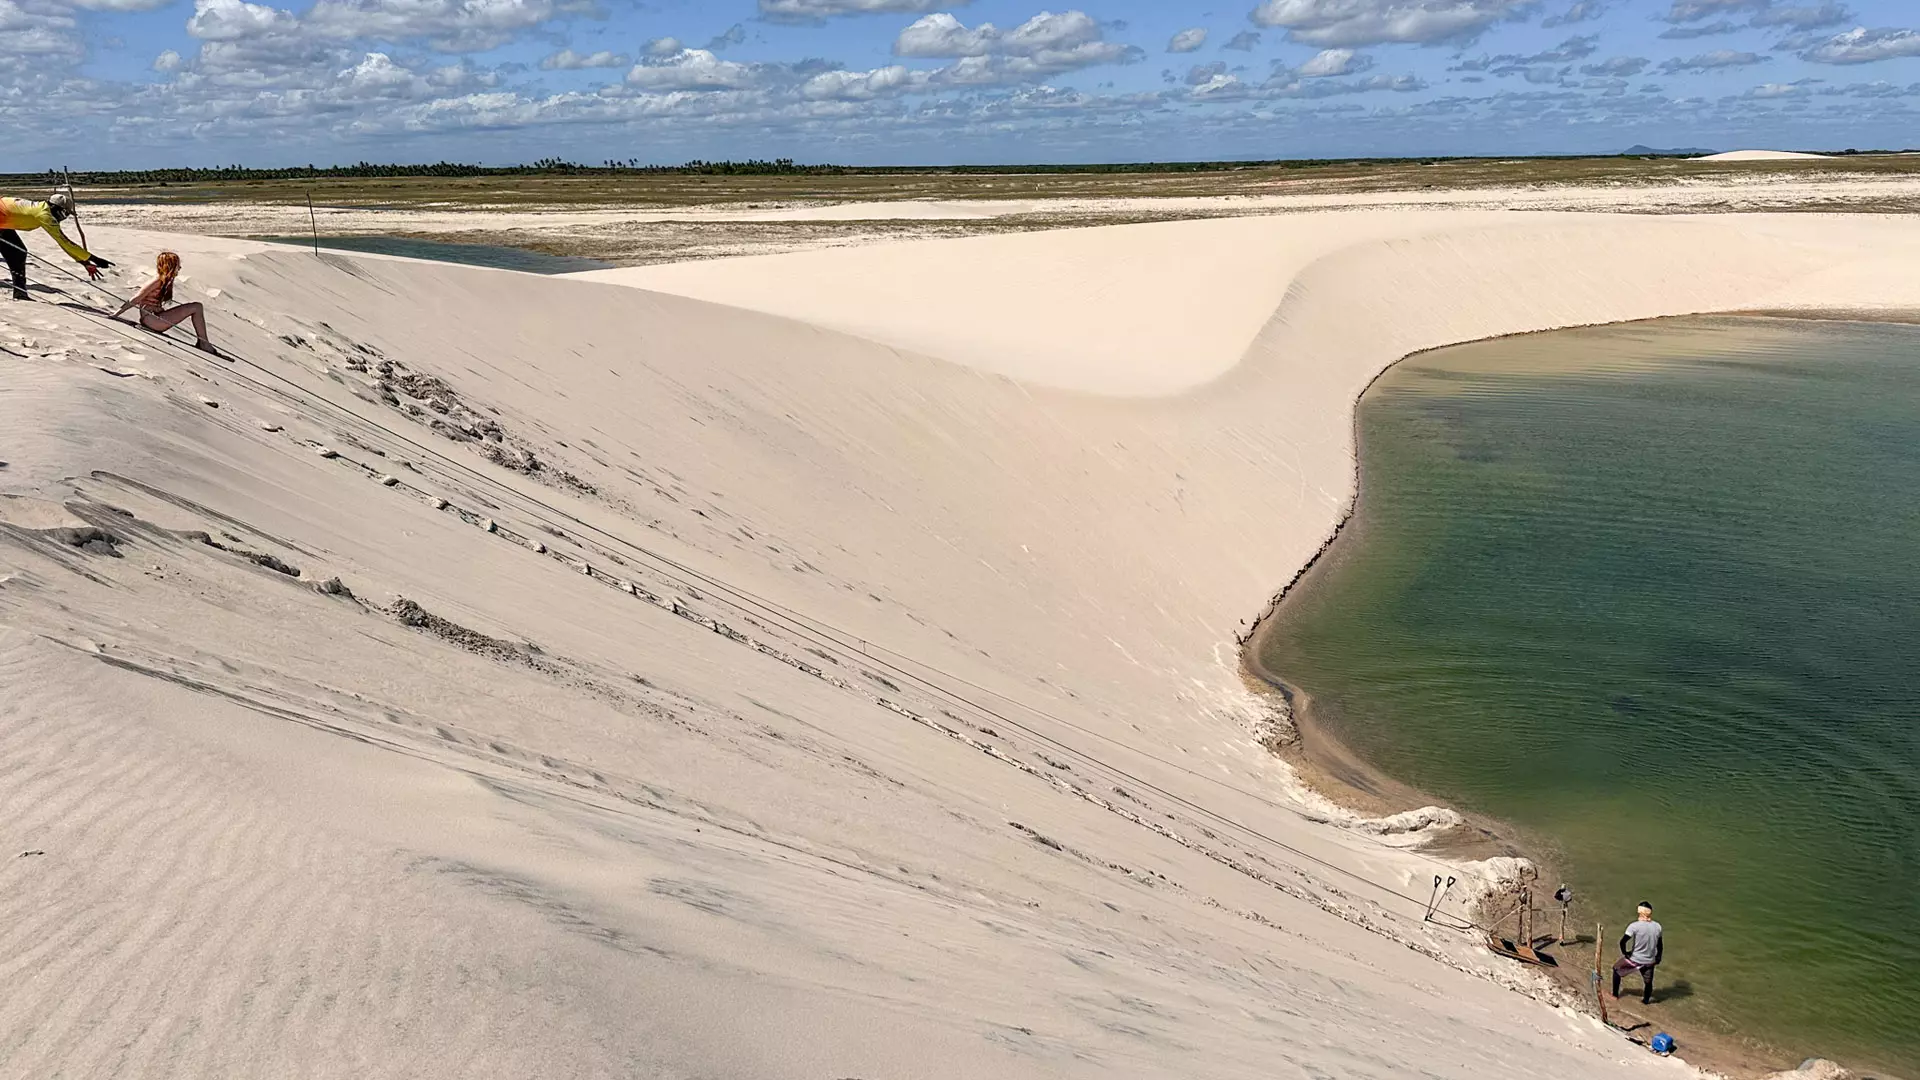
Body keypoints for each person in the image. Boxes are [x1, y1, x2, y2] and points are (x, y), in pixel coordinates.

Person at [1, 192, 112, 301]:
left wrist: (85, 262)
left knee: (18, 254)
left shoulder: (42, 209)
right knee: (17, 253)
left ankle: (20, 294)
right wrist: (94, 259)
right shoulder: (44, 215)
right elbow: (64, 242)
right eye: (64, 214)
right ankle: (20, 293)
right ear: (55, 207)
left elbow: (66, 244)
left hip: (3, 225)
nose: (64, 218)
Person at [110, 251, 219, 355]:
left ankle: (203, 342)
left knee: (197, 306)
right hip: (151, 320)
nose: (180, 268)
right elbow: (136, 298)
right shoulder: (157, 280)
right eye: (177, 265)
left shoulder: (165, 280)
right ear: (170, 266)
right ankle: (204, 343)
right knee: (196, 307)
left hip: (154, 319)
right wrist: (116, 314)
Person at [1612, 901, 1664, 1005]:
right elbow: (1660, 945)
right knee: (1648, 982)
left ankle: (1615, 995)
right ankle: (1645, 1002)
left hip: (1635, 959)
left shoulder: (1634, 926)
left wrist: (1625, 953)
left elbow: (1623, 941)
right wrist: (1658, 957)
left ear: (1639, 912)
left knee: (1616, 970)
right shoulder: (1658, 926)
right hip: (1650, 961)